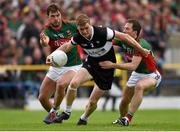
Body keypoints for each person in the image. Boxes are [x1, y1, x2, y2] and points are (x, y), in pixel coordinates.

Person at [46, 14, 148, 125]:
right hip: (91, 63)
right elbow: (66, 46)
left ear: (90, 25)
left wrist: (141, 49)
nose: (84, 31)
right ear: (78, 29)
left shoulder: (102, 32)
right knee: (73, 83)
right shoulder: (78, 37)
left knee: (92, 102)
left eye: (86, 28)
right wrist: (52, 55)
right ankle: (67, 112)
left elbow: (125, 37)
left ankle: (84, 118)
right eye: (81, 29)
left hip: (106, 68)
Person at [99, 19, 162, 126]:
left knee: (139, 86)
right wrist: (99, 34)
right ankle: (122, 119)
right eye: (124, 28)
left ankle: (128, 118)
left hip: (151, 75)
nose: (124, 30)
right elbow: (108, 41)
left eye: (127, 29)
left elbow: (132, 66)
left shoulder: (141, 45)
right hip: (137, 74)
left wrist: (112, 65)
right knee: (124, 102)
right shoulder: (124, 40)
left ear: (135, 33)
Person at [38, 3, 82, 124]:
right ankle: (57, 118)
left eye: (58, 15)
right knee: (42, 98)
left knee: (61, 84)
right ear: (48, 17)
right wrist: (43, 42)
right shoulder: (47, 31)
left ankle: (53, 112)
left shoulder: (72, 25)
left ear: (61, 14)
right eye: (53, 16)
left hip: (74, 65)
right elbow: (45, 42)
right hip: (57, 66)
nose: (56, 18)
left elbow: (86, 27)